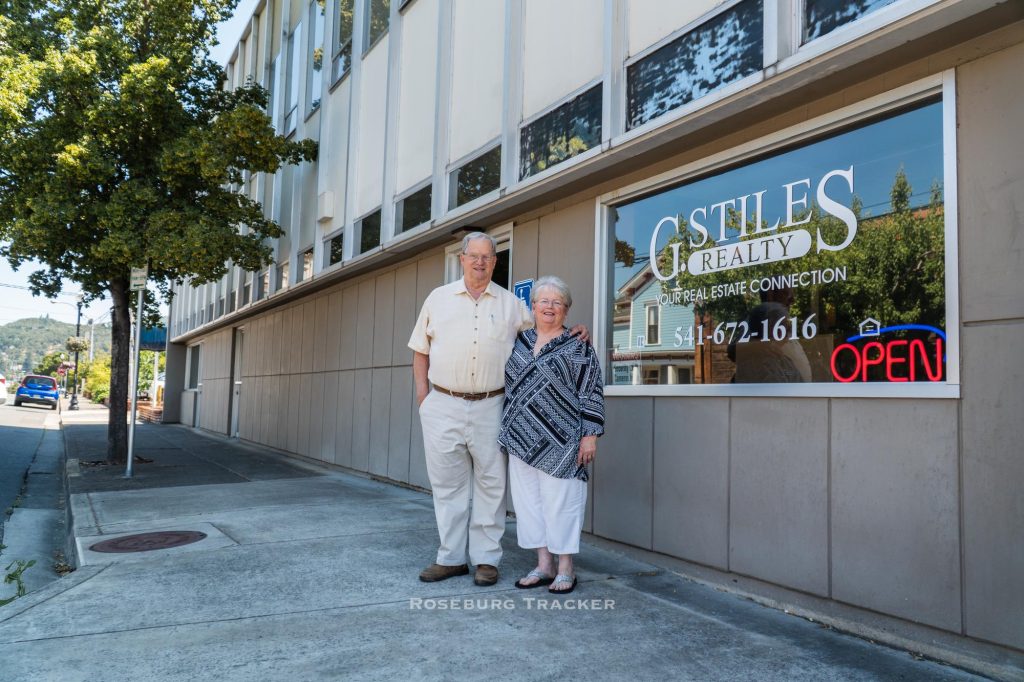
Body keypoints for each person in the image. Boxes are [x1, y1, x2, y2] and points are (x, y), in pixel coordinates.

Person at [409, 234, 587, 587]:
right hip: (442, 403)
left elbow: (544, 329)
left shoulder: (511, 305)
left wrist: (576, 331)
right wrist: (423, 400)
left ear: (494, 262)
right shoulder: (438, 299)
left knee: (491, 484)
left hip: (492, 405)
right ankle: (451, 558)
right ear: (462, 259)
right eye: (473, 256)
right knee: (448, 485)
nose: (479, 262)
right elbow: (420, 350)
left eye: (487, 257)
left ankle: (486, 560)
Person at [498, 276, 604, 595]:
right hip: (521, 438)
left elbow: (591, 390)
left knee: (563, 504)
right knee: (530, 505)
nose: (549, 307)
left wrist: (590, 434)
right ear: (532, 306)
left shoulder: (577, 344)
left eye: (557, 303)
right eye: (543, 301)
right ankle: (543, 565)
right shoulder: (517, 340)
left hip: (563, 441)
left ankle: (566, 568)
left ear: (566, 310)